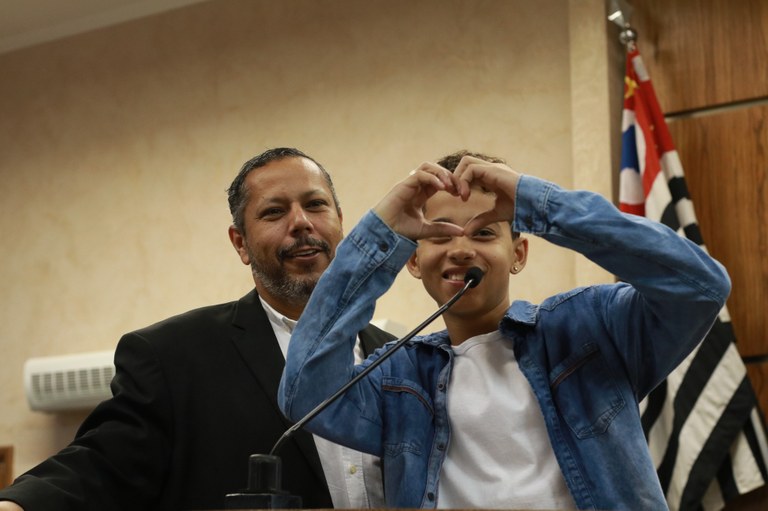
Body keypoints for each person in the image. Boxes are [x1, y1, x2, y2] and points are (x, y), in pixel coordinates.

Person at [279, 151, 731, 510]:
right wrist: (380, 233)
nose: (460, 249)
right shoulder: (399, 376)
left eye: (483, 233)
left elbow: (701, 286)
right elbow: (304, 391)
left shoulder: (591, 325)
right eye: (440, 236)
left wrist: (536, 201)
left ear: (518, 254)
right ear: (413, 261)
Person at [0, 147, 393, 511]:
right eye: (274, 212)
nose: (301, 223)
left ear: (341, 222)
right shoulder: (173, 356)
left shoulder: (399, 356)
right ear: (240, 243)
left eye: (315, 205)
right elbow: (100, 464)